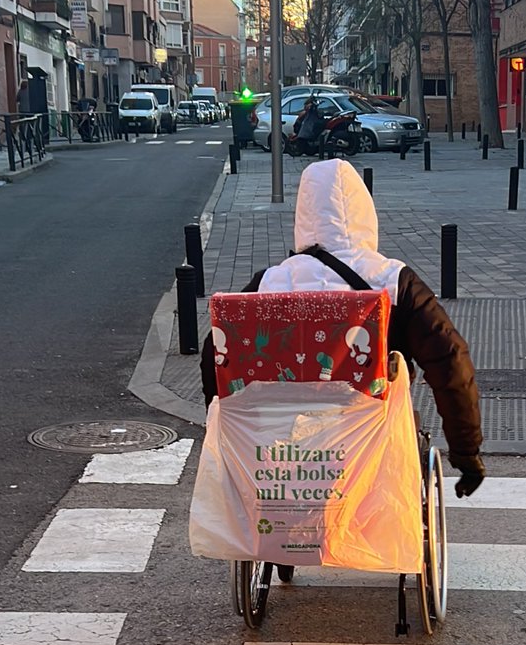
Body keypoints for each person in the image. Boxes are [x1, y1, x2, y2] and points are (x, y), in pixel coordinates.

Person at [201, 158, 485, 498]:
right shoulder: (393, 281)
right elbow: (450, 361)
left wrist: (227, 432)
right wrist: (466, 454)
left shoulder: (271, 283)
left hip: (285, 444)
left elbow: (214, 354)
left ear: (303, 214)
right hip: (373, 443)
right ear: (366, 212)